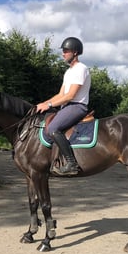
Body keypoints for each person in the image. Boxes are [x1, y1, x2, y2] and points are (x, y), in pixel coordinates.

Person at [36, 37, 91, 176]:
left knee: (53, 128)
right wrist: (44, 104)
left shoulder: (81, 69)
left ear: (75, 52)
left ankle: (71, 163)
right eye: (63, 51)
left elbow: (70, 96)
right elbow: (61, 94)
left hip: (77, 106)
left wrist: (48, 104)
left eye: (66, 51)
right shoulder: (68, 72)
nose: (63, 54)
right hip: (66, 106)